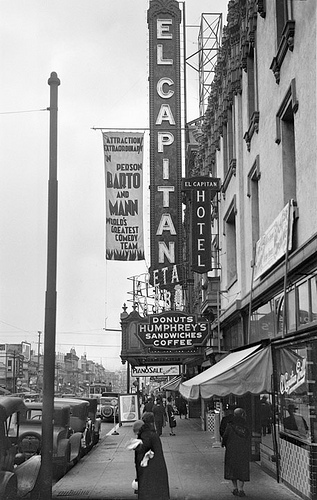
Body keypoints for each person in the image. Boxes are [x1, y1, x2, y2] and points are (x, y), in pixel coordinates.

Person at [135, 411, 170, 500]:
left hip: (148, 470)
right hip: (158, 467)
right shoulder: (153, 433)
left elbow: (143, 451)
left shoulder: (145, 434)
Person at [222, 407, 250, 497]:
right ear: (242, 415)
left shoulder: (230, 425)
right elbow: (249, 438)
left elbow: (225, 436)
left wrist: (225, 444)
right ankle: (241, 489)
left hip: (232, 450)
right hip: (243, 450)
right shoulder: (246, 426)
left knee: (232, 469)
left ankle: (235, 488)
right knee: (242, 468)